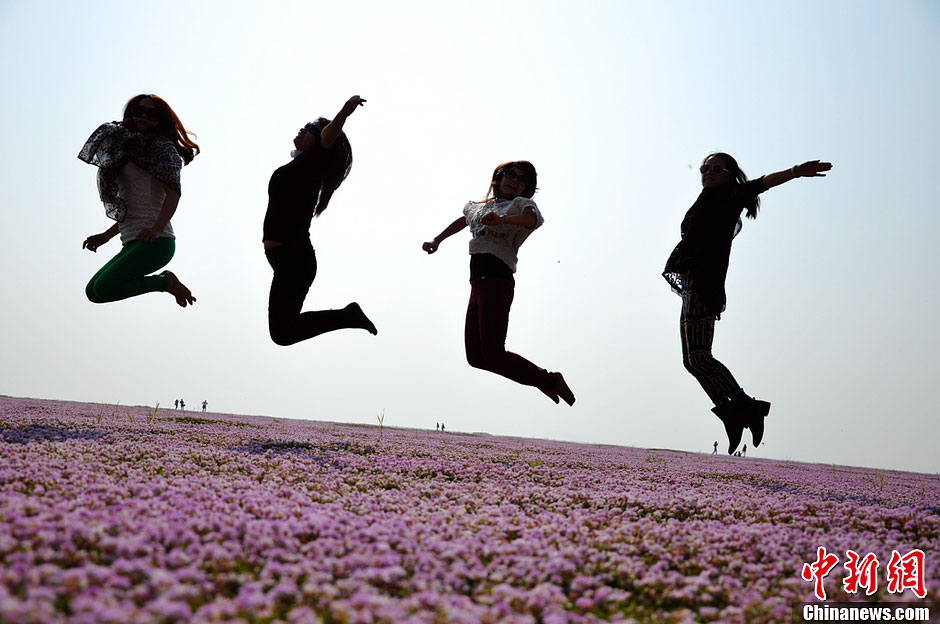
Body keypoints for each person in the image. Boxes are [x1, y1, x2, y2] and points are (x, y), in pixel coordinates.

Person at [663, 153, 831, 454]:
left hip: (703, 286)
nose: (707, 172)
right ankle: (731, 414)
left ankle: (747, 407)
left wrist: (795, 171)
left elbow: (762, 183)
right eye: (704, 168)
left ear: (729, 174)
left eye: (716, 168)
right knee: (691, 361)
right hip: (690, 286)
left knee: (700, 357)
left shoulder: (730, 195)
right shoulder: (705, 199)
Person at [423, 161, 575, 406]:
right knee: (476, 357)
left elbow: (532, 219)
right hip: (477, 284)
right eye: (511, 175)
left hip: (497, 281)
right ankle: (542, 380)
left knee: (494, 353)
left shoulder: (520, 205)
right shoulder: (480, 207)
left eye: (522, 180)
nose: (515, 181)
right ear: (499, 177)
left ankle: (549, 379)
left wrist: (503, 218)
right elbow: (464, 219)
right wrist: (437, 239)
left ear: (525, 189)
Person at [262, 95, 377, 346]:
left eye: (312, 128)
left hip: (294, 258)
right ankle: (348, 315)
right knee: (282, 331)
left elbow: (329, 135)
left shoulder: (314, 163)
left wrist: (344, 112)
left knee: (282, 333)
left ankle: (348, 315)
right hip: (285, 259)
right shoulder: (301, 165)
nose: (304, 129)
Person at [79, 94, 198, 307]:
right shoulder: (126, 150)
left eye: (152, 114)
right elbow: (131, 208)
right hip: (131, 240)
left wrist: (157, 228)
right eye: (139, 111)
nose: (143, 116)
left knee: (104, 287)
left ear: (160, 120)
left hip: (157, 242)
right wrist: (106, 236)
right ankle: (165, 281)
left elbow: (173, 194)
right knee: (93, 292)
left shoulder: (161, 150)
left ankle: (166, 283)